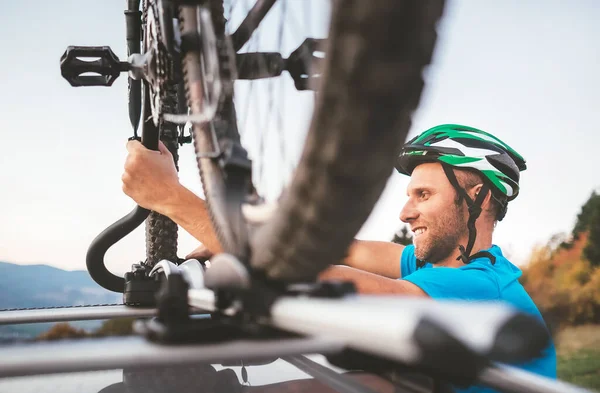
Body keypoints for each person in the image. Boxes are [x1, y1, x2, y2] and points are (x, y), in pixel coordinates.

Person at [122, 123, 557, 391]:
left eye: (423, 195)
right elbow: (335, 249)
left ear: (477, 197)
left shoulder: (480, 288)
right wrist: (231, 237)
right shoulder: (431, 266)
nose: (406, 212)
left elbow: (301, 272)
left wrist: (170, 198)